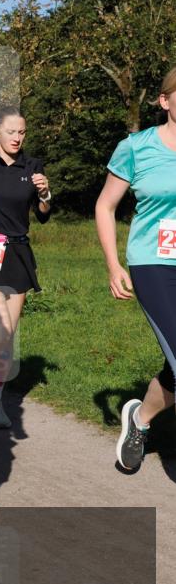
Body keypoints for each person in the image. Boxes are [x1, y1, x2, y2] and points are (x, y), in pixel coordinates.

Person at [95, 67, 176, 472]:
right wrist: (113, 265)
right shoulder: (136, 147)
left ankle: (140, 419)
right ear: (165, 100)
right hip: (152, 263)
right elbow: (105, 206)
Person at [0, 106, 52, 428]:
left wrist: (45, 194)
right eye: (11, 132)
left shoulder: (32, 166)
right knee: (1, 328)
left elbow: (43, 214)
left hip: (19, 254)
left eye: (21, 132)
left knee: (6, 336)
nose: (17, 138)